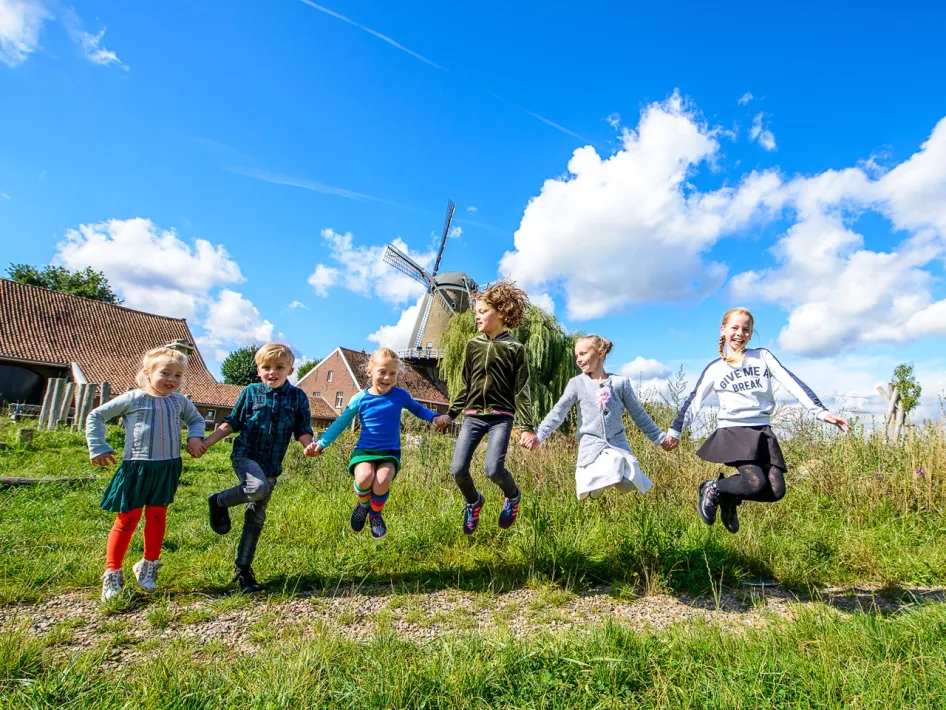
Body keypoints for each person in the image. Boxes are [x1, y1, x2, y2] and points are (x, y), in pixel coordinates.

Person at [662, 307, 849, 533]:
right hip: (734, 430)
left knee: (776, 491)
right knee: (755, 482)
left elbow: (792, 382)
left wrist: (821, 412)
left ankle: (729, 497)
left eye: (746, 329)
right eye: (734, 328)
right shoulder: (716, 368)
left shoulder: (762, 357)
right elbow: (694, 401)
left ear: (751, 333)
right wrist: (675, 431)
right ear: (723, 330)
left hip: (762, 430)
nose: (740, 333)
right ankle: (713, 488)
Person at [86, 346, 206, 601]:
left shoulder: (180, 402)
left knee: (156, 516)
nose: (172, 380)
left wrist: (195, 438)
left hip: (167, 467)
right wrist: (98, 446)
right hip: (136, 468)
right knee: (126, 519)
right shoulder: (133, 398)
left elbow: (196, 420)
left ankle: (148, 566)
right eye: (166, 373)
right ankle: (112, 573)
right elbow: (96, 415)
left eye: (178, 375)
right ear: (148, 373)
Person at [201, 343, 318, 593]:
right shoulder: (251, 392)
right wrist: (207, 443)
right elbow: (233, 421)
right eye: (266, 367)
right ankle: (219, 501)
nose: (272, 372)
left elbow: (302, 429)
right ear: (258, 370)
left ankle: (243, 569)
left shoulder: (297, 397)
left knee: (256, 516)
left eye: (279, 367)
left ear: (290, 370)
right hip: (246, 455)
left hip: (272, 464)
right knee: (256, 488)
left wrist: (309, 446)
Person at [312, 348, 451, 539]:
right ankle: (363, 505)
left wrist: (434, 418)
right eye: (382, 372)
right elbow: (341, 422)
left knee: (382, 481)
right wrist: (321, 443)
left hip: (390, 451)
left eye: (392, 373)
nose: (387, 377)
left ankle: (375, 514)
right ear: (370, 372)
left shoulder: (400, 395)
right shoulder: (360, 399)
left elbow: (418, 409)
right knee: (363, 478)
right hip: (364, 451)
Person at [446, 280, 536, 534]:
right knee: (458, 469)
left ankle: (513, 496)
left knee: (493, 470)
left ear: (502, 313)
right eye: (475, 311)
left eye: (482, 311)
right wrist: (451, 414)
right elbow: (466, 385)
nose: (477, 315)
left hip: (501, 417)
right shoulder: (472, 345)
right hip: (473, 416)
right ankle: (474, 502)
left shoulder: (515, 348)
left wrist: (527, 427)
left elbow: (522, 390)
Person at [530, 335, 665, 499]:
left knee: (629, 482)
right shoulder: (576, 384)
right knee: (613, 464)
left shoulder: (620, 383)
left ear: (600, 353)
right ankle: (595, 488)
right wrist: (539, 435)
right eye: (576, 356)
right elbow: (558, 413)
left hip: (618, 446)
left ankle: (599, 487)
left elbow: (639, 415)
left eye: (583, 354)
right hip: (592, 449)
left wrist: (660, 438)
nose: (579, 359)